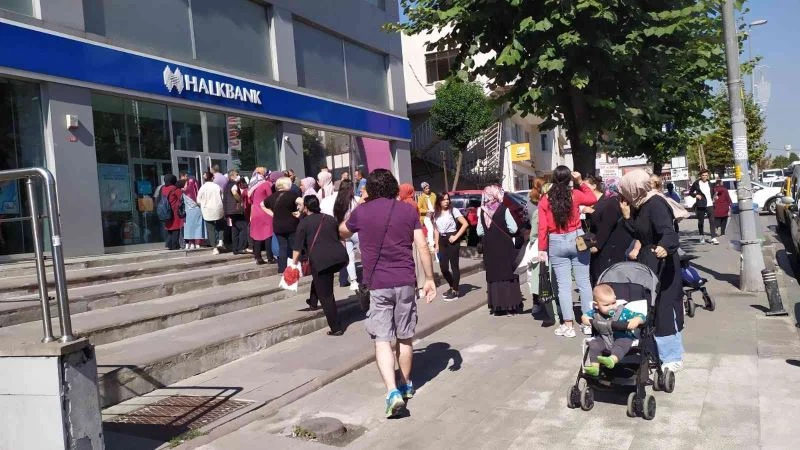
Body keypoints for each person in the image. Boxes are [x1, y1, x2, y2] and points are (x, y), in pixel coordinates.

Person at [339, 169, 437, 418]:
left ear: (370, 189)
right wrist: (429, 279)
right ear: (394, 187)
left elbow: (342, 231)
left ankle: (392, 392)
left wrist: (360, 203)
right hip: (405, 280)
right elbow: (422, 245)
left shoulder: (362, 212)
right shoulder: (407, 210)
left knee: (382, 339)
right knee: (405, 337)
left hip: (378, 284)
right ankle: (405, 384)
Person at [619, 169, 684, 372]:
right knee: (651, 309)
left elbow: (668, 232)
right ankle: (654, 352)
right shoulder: (640, 204)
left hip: (662, 263)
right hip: (648, 263)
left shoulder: (655, 203)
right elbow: (641, 233)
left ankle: (672, 357)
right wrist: (628, 217)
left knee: (663, 309)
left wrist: (665, 246)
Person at [537, 166, 597, 338]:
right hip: (577, 239)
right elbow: (592, 198)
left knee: (563, 286)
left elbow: (542, 227)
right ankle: (587, 324)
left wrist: (542, 249)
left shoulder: (545, 200)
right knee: (584, 282)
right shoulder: (575, 195)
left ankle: (568, 325)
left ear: (553, 179)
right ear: (569, 179)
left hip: (555, 241)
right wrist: (580, 182)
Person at [292, 195, 349, 336]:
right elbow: (341, 237)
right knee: (319, 279)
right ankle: (312, 301)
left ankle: (336, 328)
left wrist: (293, 264)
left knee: (327, 295)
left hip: (321, 261)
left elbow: (297, 248)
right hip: (338, 258)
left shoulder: (304, 223)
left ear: (305, 207)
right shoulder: (329, 218)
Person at [478, 185, 525, 315]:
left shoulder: (482, 211)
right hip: (504, 246)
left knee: (494, 275)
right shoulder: (504, 209)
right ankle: (510, 306)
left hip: (489, 247)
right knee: (507, 273)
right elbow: (513, 229)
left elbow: (479, 231)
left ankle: (497, 306)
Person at [580, 284, 645, 376]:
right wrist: (586, 319)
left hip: (622, 337)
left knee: (622, 344)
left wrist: (637, 320)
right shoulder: (595, 313)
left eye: (613, 303)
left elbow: (641, 316)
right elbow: (585, 316)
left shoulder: (622, 312)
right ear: (596, 305)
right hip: (603, 337)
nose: (612, 307)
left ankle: (612, 360)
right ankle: (595, 367)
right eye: (606, 305)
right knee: (594, 344)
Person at [588, 178, 634, 286]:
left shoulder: (612, 203)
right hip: (615, 245)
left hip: (608, 248)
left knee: (605, 280)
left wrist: (596, 245)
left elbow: (606, 227)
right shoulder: (615, 200)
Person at [323, 179, 360, 290]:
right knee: (366, 253)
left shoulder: (337, 202)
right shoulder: (356, 200)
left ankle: (353, 281)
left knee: (350, 258)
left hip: (344, 230)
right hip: (356, 230)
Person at [433, 192, 469, 300]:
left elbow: (465, 224)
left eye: (447, 199)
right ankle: (452, 286)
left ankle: (455, 291)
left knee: (454, 266)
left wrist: (456, 236)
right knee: (443, 268)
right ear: (439, 201)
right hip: (442, 241)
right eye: (443, 199)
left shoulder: (453, 210)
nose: (446, 201)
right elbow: (436, 230)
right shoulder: (436, 213)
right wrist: (436, 244)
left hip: (452, 239)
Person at [263, 177, 301, 273]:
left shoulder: (272, 196)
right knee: (294, 246)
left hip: (278, 225)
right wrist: (300, 212)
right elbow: (302, 201)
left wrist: (272, 214)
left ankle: (282, 269)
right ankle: (294, 268)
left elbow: (261, 204)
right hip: (291, 224)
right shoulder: (292, 195)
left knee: (282, 247)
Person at [399, 183, 426, 298]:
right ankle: (421, 287)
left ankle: (415, 287)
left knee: (410, 263)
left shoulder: (402, 204)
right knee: (418, 262)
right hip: (415, 234)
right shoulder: (413, 203)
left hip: (407, 237)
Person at [525, 178, 545, 313]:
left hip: (534, 240)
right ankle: (547, 299)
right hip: (544, 239)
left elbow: (527, 220)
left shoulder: (529, 201)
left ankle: (536, 302)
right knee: (546, 272)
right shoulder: (546, 201)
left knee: (534, 273)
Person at [249, 168, 275, 265]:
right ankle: (270, 257)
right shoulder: (265, 184)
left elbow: (250, 201)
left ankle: (258, 257)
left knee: (257, 236)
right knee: (268, 235)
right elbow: (270, 198)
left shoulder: (252, 186)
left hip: (255, 212)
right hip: (265, 211)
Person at [687, 169, 719, 245]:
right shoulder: (696, 183)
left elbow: (713, 193)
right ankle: (701, 236)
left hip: (710, 204)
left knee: (712, 221)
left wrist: (715, 196)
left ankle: (713, 237)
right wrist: (696, 195)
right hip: (701, 204)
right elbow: (690, 192)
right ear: (700, 176)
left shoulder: (710, 183)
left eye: (706, 175)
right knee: (701, 221)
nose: (705, 177)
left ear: (708, 176)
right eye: (703, 175)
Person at [197, 171, 225, 253]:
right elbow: (222, 197)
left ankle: (214, 247)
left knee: (210, 229)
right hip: (218, 208)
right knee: (220, 225)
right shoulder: (217, 187)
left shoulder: (202, 188)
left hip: (207, 210)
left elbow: (198, 200)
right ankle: (220, 241)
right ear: (212, 178)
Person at [179, 177, 205, 249]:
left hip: (188, 212)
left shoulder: (183, 192)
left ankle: (191, 243)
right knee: (198, 227)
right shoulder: (196, 193)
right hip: (197, 211)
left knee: (189, 228)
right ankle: (197, 243)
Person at [160, 174, 184, 250]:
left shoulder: (163, 188)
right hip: (174, 211)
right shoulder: (174, 188)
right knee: (176, 229)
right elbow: (181, 197)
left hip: (166, 211)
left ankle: (169, 245)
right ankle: (175, 245)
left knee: (169, 229)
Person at [417, 182, 437, 251]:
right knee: (430, 229)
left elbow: (436, 203)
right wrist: (427, 211)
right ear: (423, 189)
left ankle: (430, 240)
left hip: (433, 215)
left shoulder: (433, 195)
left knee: (434, 229)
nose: (428, 190)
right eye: (426, 189)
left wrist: (435, 210)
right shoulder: (421, 197)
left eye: (428, 188)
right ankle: (431, 245)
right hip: (426, 216)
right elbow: (419, 208)